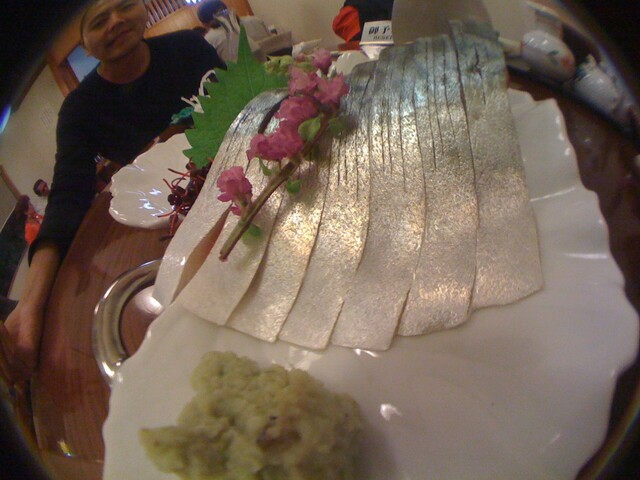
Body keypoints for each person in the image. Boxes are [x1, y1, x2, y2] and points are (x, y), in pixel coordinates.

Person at [0, 0, 224, 386]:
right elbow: (68, 196)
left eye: (124, 6)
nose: (116, 21)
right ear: (85, 45)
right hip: (166, 217)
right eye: (99, 20)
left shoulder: (188, 46)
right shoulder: (79, 109)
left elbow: (238, 107)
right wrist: (31, 303)